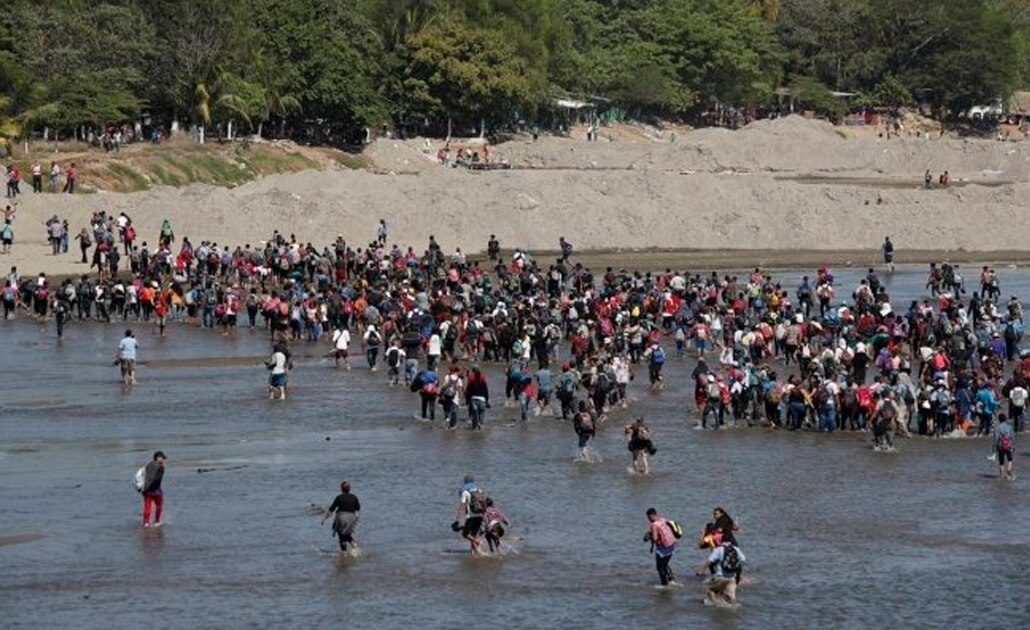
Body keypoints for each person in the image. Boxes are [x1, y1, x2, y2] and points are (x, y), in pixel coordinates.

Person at [694, 540, 746, 606]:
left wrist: (700, 570)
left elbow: (709, 561)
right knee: (730, 602)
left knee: (708, 587)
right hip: (732, 579)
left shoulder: (719, 549)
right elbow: (743, 560)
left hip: (719, 577)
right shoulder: (736, 549)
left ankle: (713, 604)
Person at [321, 481, 361, 554]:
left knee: (340, 533)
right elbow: (358, 508)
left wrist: (324, 519)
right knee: (346, 533)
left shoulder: (339, 497)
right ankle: (352, 543)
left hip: (341, 517)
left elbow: (332, 509)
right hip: (352, 517)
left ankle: (345, 551)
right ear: (349, 489)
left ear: (341, 489)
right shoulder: (354, 497)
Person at [644, 508, 677, 586]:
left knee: (660, 567)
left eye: (648, 518)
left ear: (651, 516)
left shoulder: (654, 525)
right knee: (665, 564)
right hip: (671, 546)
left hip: (662, 548)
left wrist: (650, 537)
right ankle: (672, 580)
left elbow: (655, 538)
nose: (648, 520)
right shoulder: (663, 520)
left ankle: (664, 585)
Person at [456, 476, 485, 555]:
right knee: (474, 534)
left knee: (465, 534)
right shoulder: (479, 490)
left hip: (471, 516)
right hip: (480, 515)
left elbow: (462, 505)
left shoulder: (465, 492)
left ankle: (477, 542)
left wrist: (458, 517)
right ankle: (473, 552)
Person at [141, 451, 167, 528]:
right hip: (156, 490)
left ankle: (146, 523)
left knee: (147, 507)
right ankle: (156, 521)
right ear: (158, 458)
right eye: (162, 458)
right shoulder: (161, 467)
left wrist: (145, 489)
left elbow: (144, 476)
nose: (163, 460)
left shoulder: (148, 465)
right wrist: (155, 489)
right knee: (159, 506)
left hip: (146, 490)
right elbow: (157, 479)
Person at [994, 414, 1016, 480]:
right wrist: (1013, 446)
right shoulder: (1009, 427)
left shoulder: (997, 428)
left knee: (1001, 462)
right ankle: (1009, 470)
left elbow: (996, 438)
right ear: (1005, 419)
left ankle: (1002, 476)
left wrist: (994, 448)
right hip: (1009, 445)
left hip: (1000, 446)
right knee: (1010, 460)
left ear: (999, 419)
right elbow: (1012, 437)